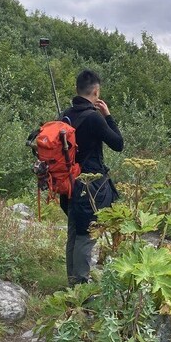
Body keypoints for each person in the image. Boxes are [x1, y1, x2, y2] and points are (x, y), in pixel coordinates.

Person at [60, 69, 124, 285]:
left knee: (74, 233)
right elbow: (118, 144)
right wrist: (108, 116)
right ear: (96, 91)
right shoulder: (94, 118)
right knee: (86, 236)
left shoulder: (65, 115)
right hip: (89, 185)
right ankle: (79, 288)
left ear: (77, 89)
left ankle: (72, 283)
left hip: (68, 183)